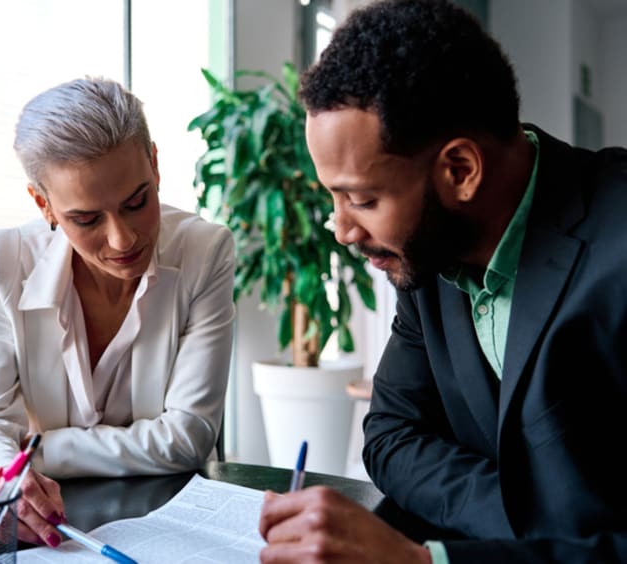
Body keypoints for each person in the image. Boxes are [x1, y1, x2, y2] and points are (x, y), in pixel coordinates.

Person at [258, 1, 627, 562]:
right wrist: (528, 519)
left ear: (460, 171)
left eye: (361, 199)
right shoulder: (430, 254)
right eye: (332, 198)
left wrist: (424, 560)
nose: (341, 230)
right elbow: (391, 434)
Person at [0, 76, 235, 548]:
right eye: (86, 219)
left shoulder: (204, 252)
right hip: (56, 530)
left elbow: (189, 437)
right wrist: (11, 480)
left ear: (155, 164)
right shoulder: (4, 261)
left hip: (171, 525)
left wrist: (38, 451)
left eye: (137, 202)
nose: (123, 239)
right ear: (44, 204)